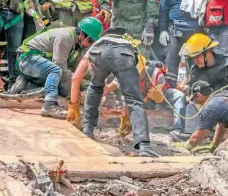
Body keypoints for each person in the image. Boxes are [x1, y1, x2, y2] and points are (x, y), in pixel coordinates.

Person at [67, 27, 159, 157]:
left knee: (94, 87)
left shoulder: (98, 43)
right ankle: (144, 146)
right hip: (124, 56)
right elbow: (130, 93)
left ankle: (88, 130)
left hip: (98, 53)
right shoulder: (131, 46)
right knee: (134, 100)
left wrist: (73, 105)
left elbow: (76, 77)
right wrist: (127, 116)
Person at [14, 17, 101, 118]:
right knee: (56, 70)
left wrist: (86, 86)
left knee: (63, 87)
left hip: (38, 65)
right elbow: (60, 66)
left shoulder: (79, 45)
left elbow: (76, 73)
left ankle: (29, 88)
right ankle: (49, 106)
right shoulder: (65, 37)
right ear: (82, 35)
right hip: (27, 60)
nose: (91, 45)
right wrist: (75, 93)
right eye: (91, 41)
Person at [158, 0, 203, 87]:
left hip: (196, 30)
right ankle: (169, 95)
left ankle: (196, 95)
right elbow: (163, 11)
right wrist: (163, 30)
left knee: (198, 65)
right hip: (174, 30)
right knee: (170, 65)